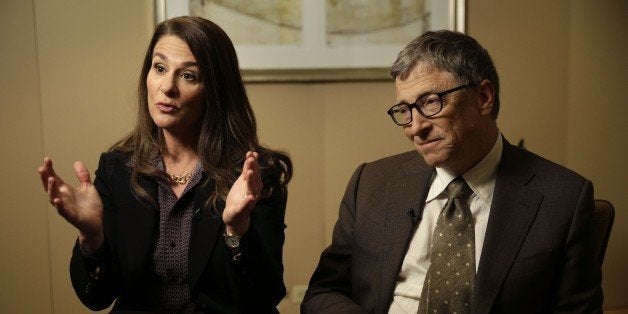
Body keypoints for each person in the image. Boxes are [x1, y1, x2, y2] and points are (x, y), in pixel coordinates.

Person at [301, 30, 602, 313]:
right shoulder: (371, 183)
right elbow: (323, 293)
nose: (416, 127)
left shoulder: (563, 199)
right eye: (404, 111)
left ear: (484, 98)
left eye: (431, 102)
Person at [37, 16, 292, 313]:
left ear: (216, 90)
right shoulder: (117, 168)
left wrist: (237, 230)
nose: (167, 87)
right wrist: (92, 237)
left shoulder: (254, 174)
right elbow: (97, 298)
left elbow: (264, 297)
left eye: (189, 76)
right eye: (159, 68)